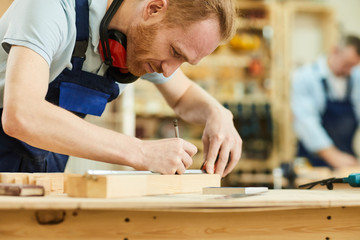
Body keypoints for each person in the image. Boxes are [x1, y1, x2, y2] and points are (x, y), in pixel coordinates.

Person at [0, 0, 242, 176]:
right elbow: (22, 114)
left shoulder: (137, 47)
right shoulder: (53, 8)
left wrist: (218, 114)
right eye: (175, 52)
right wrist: (141, 152)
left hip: (33, 178)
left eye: (183, 61)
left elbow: (184, 96)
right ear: (154, 8)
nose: (169, 71)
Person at [291, 35, 360, 168]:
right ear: (335, 51)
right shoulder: (305, 77)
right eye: (347, 64)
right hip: (313, 161)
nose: (349, 70)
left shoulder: (355, 77)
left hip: (347, 157)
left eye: (354, 66)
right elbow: (306, 122)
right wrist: (333, 156)